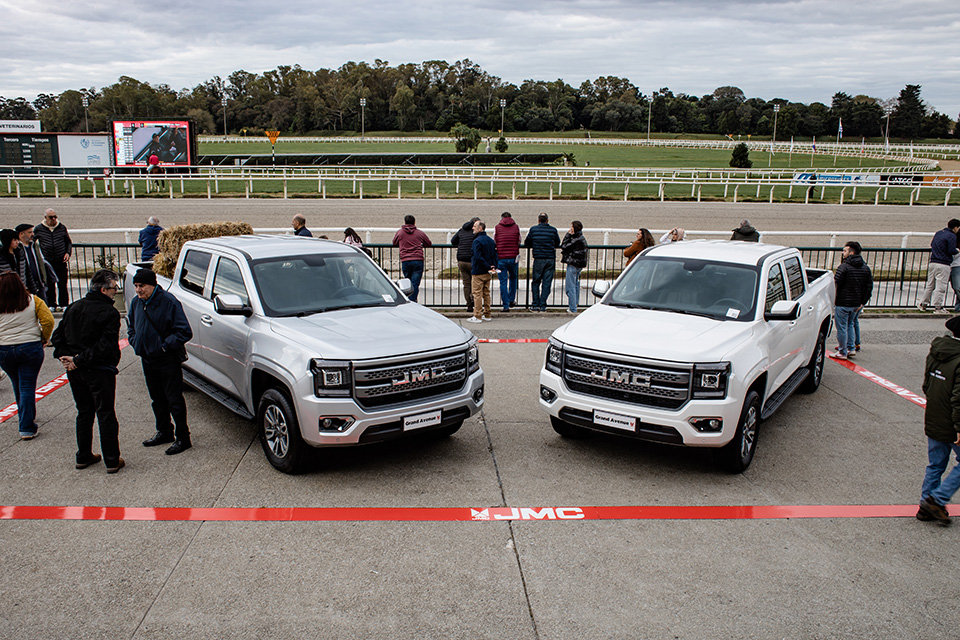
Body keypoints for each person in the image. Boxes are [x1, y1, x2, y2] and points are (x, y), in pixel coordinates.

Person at [51, 269, 124, 473]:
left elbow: (58, 337)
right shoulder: (109, 313)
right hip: (99, 370)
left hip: (76, 370)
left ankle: (83, 455)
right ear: (103, 290)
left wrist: (68, 358)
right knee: (106, 413)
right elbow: (105, 347)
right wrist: (77, 359)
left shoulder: (74, 307)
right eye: (114, 289)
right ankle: (111, 459)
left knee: (84, 412)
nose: (115, 292)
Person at [127, 268, 194, 455]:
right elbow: (131, 325)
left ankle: (183, 437)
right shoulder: (136, 302)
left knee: (174, 399)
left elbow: (184, 331)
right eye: (136, 286)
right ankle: (164, 431)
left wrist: (163, 347)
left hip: (167, 360)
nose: (138, 290)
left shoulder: (169, 302)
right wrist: (135, 342)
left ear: (153, 285)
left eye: (142, 286)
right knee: (157, 399)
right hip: (147, 359)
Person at [917, 315, 960, 525]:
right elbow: (958, 398)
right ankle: (937, 499)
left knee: (935, 465)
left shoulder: (936, 352)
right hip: (953, 423)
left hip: (934, 415)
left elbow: (926, 385)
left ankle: (925, 506)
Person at [0, 273, 53, 439]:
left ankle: (25, 414)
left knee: (17, 383)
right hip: (30, 347)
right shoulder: (33, 300)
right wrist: (44, 337)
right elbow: (48, 320)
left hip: (4, 349)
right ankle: (27, 425)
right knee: (27, 386)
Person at [832, 241, 873, 360]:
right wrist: (862, 302)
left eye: (845, 251)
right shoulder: (865, 268)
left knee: (842, 328)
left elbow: (836, 283)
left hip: (843, 303)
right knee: (850, 325)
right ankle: (851, 348)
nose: (843, 253)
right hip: (856, 304)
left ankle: (842, 351)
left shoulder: (844, 267)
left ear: (851, 252)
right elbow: (869, 287)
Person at [918, 219, 960, 314]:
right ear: (956, 227)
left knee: (930, 285)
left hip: (933, 262)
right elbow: (951, 250)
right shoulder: (952, 236)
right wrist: (957, 251)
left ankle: (923, 304)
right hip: (943, 264)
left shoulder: (939, 233)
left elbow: (932, 244)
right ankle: (938, 307)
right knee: (941, 287)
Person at [34, 209, 72, 311]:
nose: (54, 219)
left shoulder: (62, 227)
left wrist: (68, 253)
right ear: (46, 218)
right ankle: (51, 304)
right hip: (47, 261)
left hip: (61, 260)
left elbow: (68, 242)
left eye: (55, 216)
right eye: (51, 217)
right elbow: (32, 241)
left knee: (62, 283)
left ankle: (64, 304)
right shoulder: (39, 229)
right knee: (50, 283)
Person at [523, 213, 560, 312]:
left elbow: (527, 242)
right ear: (547, 220)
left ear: (538, 220)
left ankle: (535, 304)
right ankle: (543, 305)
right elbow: (557, 242)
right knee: (546, 283)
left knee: (536, 282)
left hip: (538, 258)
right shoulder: (553, 230)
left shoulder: (533, 229)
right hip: (550, 258)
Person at [392, 215, 432, 303]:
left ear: (405, 222)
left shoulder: (400, 232)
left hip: (405, 260)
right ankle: (413, 300)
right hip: (418, 259)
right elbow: (428, 243)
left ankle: (409, 300)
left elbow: (394, 242)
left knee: (407, 283)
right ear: (414, 222)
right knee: (415, 283)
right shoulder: (419, 233)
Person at [467, 220, 497, 323]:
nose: (473, 228)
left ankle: (477, 315)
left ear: (480, 228)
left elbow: (477, 256)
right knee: (486, 293)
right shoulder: (490, 240)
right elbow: (495, 255)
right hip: (488, 271)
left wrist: (488, 265)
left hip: (478, 271)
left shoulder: (477, 241)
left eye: (474, 226)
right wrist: (492, 266)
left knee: (477, 294)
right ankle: (487, 314)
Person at [450, 217, 480, 313]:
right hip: (472, 260)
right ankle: (476, 303)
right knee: (475, 283)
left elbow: (453, 241)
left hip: (461, 260)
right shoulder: (476, 232)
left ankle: (469, 305)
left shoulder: (461, 230)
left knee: (466, 284)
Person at [494, 212, 521, 312]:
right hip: (514, 258)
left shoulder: (497, 227)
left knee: (503, 282)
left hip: (501, 258)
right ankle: (511, 299)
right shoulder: (516, 227)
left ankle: (505, 305)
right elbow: (519, 240)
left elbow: (494, 240)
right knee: (513, 279)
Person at [561, 221, 589, 314]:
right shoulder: (581, 238)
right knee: (575, 285)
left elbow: (564, 246)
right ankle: (575, 304)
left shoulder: (576, 239)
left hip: (573, 264)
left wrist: (568, 235)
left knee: (571, 287)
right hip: (579, 264)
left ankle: (573, 308)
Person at [14, 223, 47, 300]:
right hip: (26, 284)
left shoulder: (35, 245)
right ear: (21, 234)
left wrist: (43, 280)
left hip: (39, 283)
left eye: (32, 232)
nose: (33, 234)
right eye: (29, 232)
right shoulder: (17, 249)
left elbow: (40, 263)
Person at [950, 228, 960, 313]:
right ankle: (958, 307)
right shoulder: (954, 241)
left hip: (956, 266)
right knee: (957, 287)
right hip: (955, 266)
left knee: (957, 287)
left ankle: (958, 307)